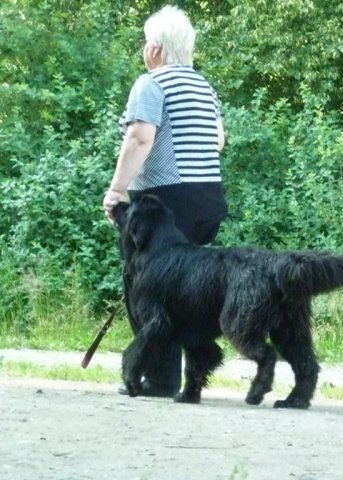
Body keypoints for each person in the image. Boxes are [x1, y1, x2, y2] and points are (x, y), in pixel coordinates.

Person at [103, 5, 228, 397]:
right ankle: (186, 381)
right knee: (186, 290)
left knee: (151, 287)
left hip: (166, 199)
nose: (144, 49)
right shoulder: (203, 85)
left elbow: (140, 137)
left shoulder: (151, 83)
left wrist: (116, 190)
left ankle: (159, 379)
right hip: (206, 198)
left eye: (145, 42)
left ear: (155, 47)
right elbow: (218, 141)